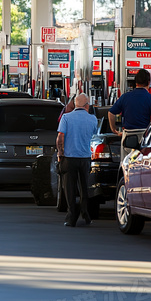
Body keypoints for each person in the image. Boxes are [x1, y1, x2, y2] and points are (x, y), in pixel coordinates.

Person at [56, 93, 98, 227]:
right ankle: (86, 214)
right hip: (85, 157)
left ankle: (71, 217)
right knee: (84, 187)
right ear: (87, 105)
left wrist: (60, 152)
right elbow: (94, 136)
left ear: (75, 104)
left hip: (69, 157)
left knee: (70, 188)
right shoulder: (93, 119)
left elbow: (60, 137)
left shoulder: (66, 118)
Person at [108, 69, 151, 160]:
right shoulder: (150, 99)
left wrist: (114, 130)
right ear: (148, 82)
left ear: (135, 82)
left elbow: (111, 113)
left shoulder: (125, 97)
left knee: (126, 165)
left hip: (128, 137)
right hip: (144, 137)